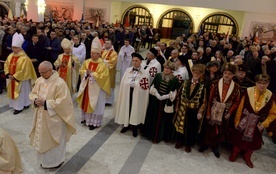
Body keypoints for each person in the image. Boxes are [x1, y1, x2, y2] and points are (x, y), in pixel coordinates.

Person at [29, 61, 76, 169]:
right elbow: (33, 93)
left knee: (54, 140)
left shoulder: (60, 83)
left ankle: (56, 162)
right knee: (41, 139)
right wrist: (35, 100)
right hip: (41, 115)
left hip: (54, 119)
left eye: (43, 73)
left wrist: (46, 103)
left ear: (51, 70)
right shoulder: (40, 80)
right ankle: (43, 161)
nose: (41, 75)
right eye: (40, 73)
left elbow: (64, 102)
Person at [229, 74, 276, 168]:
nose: (262, 85)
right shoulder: (248, 91)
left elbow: (273, 114)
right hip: (244, 121)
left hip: (258, 124)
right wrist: (237, 121)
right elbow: (240, 108)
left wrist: (264, 124)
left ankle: (247, 156)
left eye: (265, 83)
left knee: (253, 142)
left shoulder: (271, 96)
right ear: (255, 82)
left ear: (268, 83)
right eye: (259, 83)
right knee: (238, 138)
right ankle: (234, 153)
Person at [200, 63, 240, 158]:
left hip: (225, 112)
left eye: (229, 74)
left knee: (220, 130)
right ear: (222, 73)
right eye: (225, 73)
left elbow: (236, 102)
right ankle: (206, 144)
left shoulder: (236, 87)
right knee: (209, 128)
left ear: (233, 75)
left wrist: (230, 112)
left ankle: (215, 146)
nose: (227, 75)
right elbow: (209, 99)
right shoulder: (215, 83)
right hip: (213, 110)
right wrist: (208, 112)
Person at [76, 37, 111, 130]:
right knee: (85, 102)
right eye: (91, 53)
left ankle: (94, 123)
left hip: (97, 89)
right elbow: (82, 70)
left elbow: (104, 76)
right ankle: (86, 119)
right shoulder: (87, 62)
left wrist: (92, 73)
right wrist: (85, 73)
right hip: (87, 87)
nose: (91, 55)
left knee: (96, 104)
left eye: (93, 53)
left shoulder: (102, 64)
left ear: (98, 54)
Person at [142, 61, 179, 143]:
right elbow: (152, 87)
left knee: (163, 119)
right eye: (165, 67)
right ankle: (150, 134)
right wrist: (157, 94)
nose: (166, 69)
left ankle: (160, 136)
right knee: (153, 116)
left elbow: (174, 92)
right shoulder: (158, 76)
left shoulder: (174, 80)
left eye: (168, 68)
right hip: (156, 101)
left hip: (166, 102)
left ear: (172, 70)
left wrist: (166, 96)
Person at [115, 52, 150, 137]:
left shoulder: (145, 72)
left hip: (137, 96)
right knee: (127, 108)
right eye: (133, 60)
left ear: (140, 61)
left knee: (135, 109)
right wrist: (128, 84)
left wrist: (136, 86)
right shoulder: (128, 70)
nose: (134, 62)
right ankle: (126, 125)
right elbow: (123, 82)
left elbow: (145, 87)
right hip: (127, 93)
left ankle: (134, 127)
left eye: (136, 61)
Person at [174, 64, 206, 153]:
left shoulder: (202, 86)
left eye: (198, 73)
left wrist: (200, 112)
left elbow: (204, 101)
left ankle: (188, 144)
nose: (196, 75)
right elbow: (179, 95)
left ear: (201, 75)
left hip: (193, 110)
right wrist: (177, 106)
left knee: (191, 128)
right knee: (180, 125)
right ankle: (179, 141)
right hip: (183, 108)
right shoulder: (185, 82)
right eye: (194, 73)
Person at [4, 32, 37, 115]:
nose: (13, 49)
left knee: (22, 93)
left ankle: (20, 107)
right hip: (12, 78)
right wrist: (8, 74)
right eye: (12, 47)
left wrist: (15, 76)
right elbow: (6, 64)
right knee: (14, 92)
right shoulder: (10, 56)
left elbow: (24, 70)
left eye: (15, 48)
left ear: (19, 48)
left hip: (22, 80)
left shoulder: (24, 58)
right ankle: (17, 105)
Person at [101, 39, 118, 106]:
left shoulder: (114, 53)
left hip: (110, 72)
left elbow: (113, 62)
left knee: (109, 85)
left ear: (111, 45)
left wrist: (104, 62)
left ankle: (109, 101)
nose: (106, 44)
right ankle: (102, 100)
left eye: (108, 43)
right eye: (105, 43)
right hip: (102, 72)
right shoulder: (102, 51)